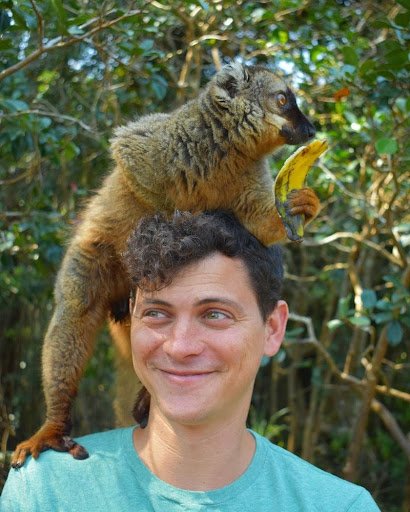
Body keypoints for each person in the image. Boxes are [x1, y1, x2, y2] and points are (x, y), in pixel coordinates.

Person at [1, 210, 380, 511]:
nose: (180, 347)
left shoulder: (338, 506)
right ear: (131, 318)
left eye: (215, 314)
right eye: (157, 314)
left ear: (273, 328)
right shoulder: (46, 492)